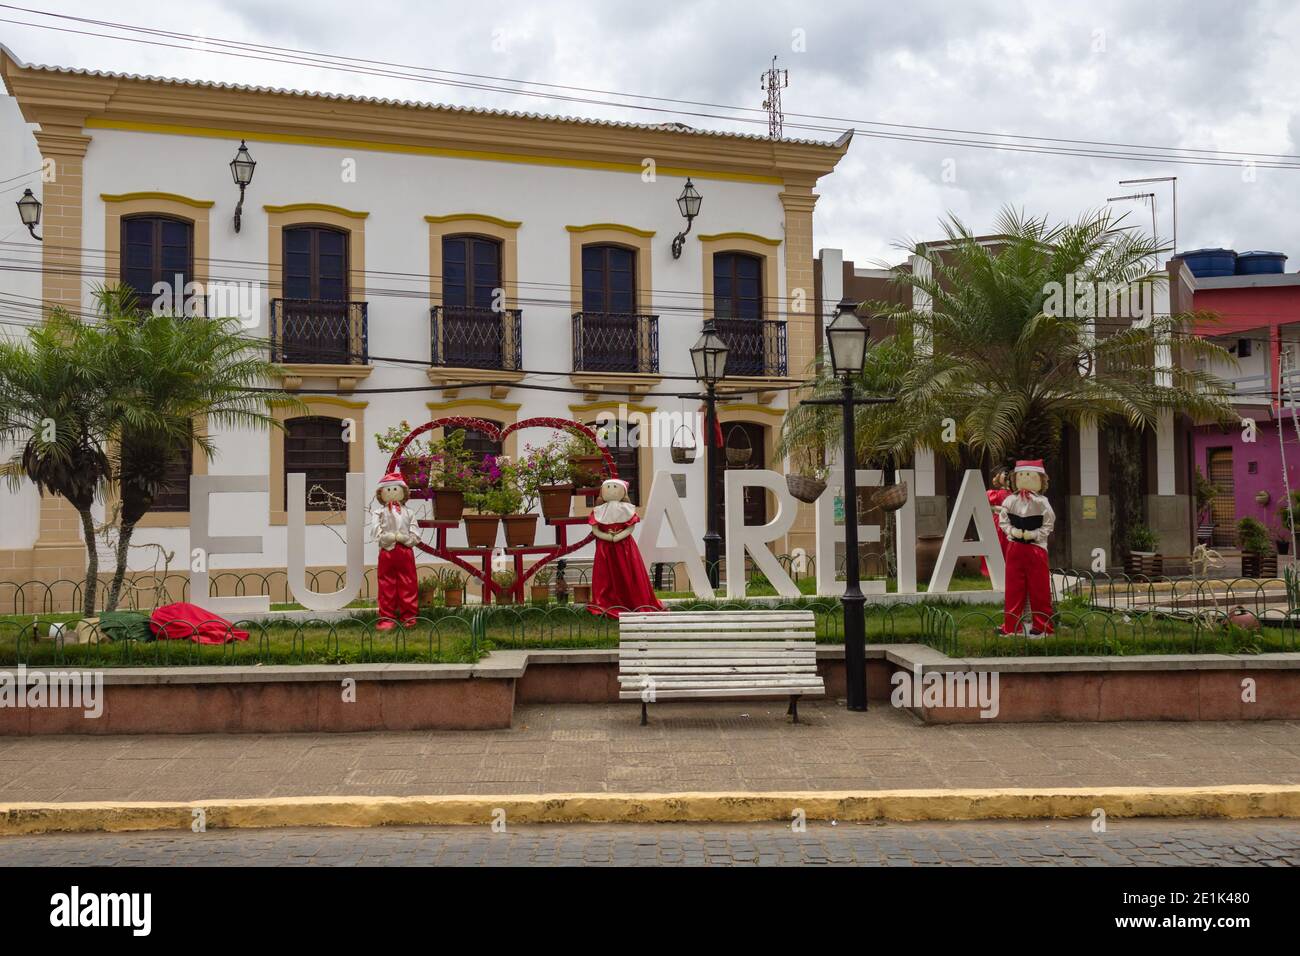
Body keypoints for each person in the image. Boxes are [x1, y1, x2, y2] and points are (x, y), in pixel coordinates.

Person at [588, 478, 665, 618]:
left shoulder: (627, 509)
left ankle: (631, 600)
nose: (611, 489)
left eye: (614, 487)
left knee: (628, 573)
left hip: (625, 547)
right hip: (605, 549)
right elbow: (595, 530)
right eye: (608, 487)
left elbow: (630, 527)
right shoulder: (598, 511)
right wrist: (607, 537)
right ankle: (606, 603)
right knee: (605, 576)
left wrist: (618, 537)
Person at [998, 459, 1055, 637]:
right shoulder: (1010, 500)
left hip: (1036, 549)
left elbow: (1048, 524)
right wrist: (1012, 531)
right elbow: (1003, 520)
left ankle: (1042, 625)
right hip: (1015, 547)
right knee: (1013, 588)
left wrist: (1034, 535)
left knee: (1040, 589)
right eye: (1022, 475)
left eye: (1030, 475)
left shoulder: (1042, 502)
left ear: (1040, 479)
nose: (1025, 478)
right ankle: (1012, 625)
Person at [371, 472, 420, 630]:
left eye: (395, 489)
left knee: (408, 583)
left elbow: (415, 533)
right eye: (388, 490)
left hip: (405, 551)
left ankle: (409, 617)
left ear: (403, 492)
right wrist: (389, 537)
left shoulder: (409, 513)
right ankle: (387, 618)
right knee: (386, 584)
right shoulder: (378, 513)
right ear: (381, 493)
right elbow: (375, 531)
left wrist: (406, 539)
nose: (391, 493)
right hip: (387, 551)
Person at [980, 468, 1011, 578]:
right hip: (997, 521)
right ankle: (990, 570)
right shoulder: (993, 494)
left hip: (1011, 521)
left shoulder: (1015, 494)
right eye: (1004, 474)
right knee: (997, 542)